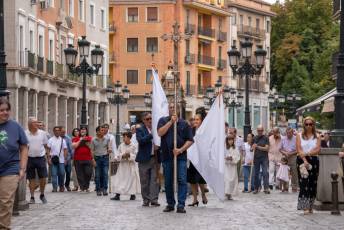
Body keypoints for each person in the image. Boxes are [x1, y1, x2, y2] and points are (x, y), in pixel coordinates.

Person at [158, 103, 194, 214]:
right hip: (167, 156)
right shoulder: (163, 120)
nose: (172, 109)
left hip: (181, 156)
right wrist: (170, 122)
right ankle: (170, 204)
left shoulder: (185, 124)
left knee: (182, 180)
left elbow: (190, 140)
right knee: (168, 181)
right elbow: (160, 133)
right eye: (170, 107)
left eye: (174, 108)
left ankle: (181, 205)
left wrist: (180, 150)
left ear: (178, 110)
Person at [0, 99, 28, 229]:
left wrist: (22, 168)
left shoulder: (15, 126)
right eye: (1, 110)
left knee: (6, 201)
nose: (5, 112)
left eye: (7, 110)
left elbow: (23, 147)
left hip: (10, 168)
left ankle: (4, 227)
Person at [296, 116, 321, 215]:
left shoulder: (317, 136)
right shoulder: (299, 135)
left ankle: (310, 205)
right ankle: (305, 206)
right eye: (306, 124)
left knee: (313, 184)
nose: (308, 126)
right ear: (304, 125)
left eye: (310, 124)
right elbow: (298, 149)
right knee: (304, 183)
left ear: (313, 125)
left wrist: (308, 154)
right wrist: (305, 160)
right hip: (301, 161)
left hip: (314, 161)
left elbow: (318, 149)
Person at [135, 112, 160, 207]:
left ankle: (154, 199)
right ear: (143, 120)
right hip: (144, 159)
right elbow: (141, 141)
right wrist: (151, 135)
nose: (150, 121)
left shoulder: (157, 128)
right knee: (144, 181)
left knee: (154, 180)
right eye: (147, 119)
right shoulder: (140, 129)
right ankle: (146, 199)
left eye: (151, 118)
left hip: (155, 158)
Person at [25, 117, 49, 204]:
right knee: (31, 178)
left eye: (37, 122)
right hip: (29, 158)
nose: (37, 124)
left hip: (40, 157)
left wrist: (48, 157)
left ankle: (42, 194)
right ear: (30, 124)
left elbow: (46, 146)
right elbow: (24, 147)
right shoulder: (25, 133)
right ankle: (32, 197)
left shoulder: (42, 133)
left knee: (43, 178)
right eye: (35, 123)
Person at [112, 132, 140, 200]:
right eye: (123, 137)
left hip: (130, 166)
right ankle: (117, 194)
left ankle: (132, 194)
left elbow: (136, 155)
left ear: (129, 138)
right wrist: (121, 156)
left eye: (125, 137)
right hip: (122, 166)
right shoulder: (121, 145)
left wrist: (130, 155)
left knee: (132, 180)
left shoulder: (134, 146)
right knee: (119, 179)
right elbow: (117, 154)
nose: (123, 139)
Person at [187, 113, 208, 206]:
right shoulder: (190, 130)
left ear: (201, 121)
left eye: (197, 119)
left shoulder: (204, 131)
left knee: (200, 179)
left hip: (201, 159)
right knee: (192, 179)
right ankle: (195, 199)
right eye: (194, 119)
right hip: (192, 158)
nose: (195, 121)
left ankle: (203, 194)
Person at [90, 126, 112, 196]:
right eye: (102, 130)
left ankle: (105, 189)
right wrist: (93, 160)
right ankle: (98, 189)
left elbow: (109, 148)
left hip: (105, 158)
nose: (104, 131)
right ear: (97, 132)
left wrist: (109, 150)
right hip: (97, 159)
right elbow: (92, 151)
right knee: (97, 175)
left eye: (104, 130)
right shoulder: (93, 140)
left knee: (105, 174)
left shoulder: (107, 139)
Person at [72, 127, 93, 192]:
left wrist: (88, 144)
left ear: (86, 131)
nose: (83, 131)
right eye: (81, 130)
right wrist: (80, 140)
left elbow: (92, 148)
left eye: (84, 130)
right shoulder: (75, 138)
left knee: (88, 173)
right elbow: (74, 146)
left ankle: (86, 185)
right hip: (78, 159)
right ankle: (82, 187)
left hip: (88, 158)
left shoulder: (90, 138)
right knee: (79, 174)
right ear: (80, 131)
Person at [47, 126, 68, 192]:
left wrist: (65, 159)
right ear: (53, 131)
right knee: (54, 174)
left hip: (61, 160)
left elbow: (65, 150)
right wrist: (48, 158)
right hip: (53, 159)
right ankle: (54, 187)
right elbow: (48, 150)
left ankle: (61, 186)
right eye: (55, 130)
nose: (57, 131)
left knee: (62, 173)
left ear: (60, 131)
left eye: (58, 130)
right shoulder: (50, 140)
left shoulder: (62, 140)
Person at [252, 125, 270, 194]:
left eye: (261, 130)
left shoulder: (266, 138)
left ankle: (266, 188)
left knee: (265, 172)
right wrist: (252, 148)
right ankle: (256, 188)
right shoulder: (255, 138)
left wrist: (258, 147)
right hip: (256, 157)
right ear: (257, 131)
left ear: (263, 131)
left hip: (264, 158)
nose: (260, 132)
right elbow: (252, 149)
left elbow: (267, 148)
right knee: (256, 174)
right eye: (258, 130)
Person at [280, 127, 298, 192]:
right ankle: (285, 187)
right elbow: (280, 149)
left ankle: (294, 187)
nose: (288, 134)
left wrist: (291, 153)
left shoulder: (296, 139)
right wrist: (285, 153)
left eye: (290, 133)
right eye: (287, 133)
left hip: (293, 156)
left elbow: (298, 150)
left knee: (294, 172)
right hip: (285, 157)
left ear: (292, 132)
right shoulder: (283, 139)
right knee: (284, 172)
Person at [224, 135, 240, 200]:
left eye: (231, 140)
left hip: (233, 167)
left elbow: (238, 157)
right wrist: (226, 158)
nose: (230, 141)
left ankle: (230, 193)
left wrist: (232, 158)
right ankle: (226, 192)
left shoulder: (235, 148)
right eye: (229, 140)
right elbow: (222, 156)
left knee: (232, 180)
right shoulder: (225, 148)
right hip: (227, 167)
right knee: (227, 179)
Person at [61, 126, 73, 192]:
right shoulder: (58, 138)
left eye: (64, 132)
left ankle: (67, 185)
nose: (63, 133)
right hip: (60, 159)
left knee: (68, 173)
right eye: (62, 132)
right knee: (61, 173)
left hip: (68, 158)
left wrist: (71, 157)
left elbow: (71, 148)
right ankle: (61, 185)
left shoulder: (68, 138)